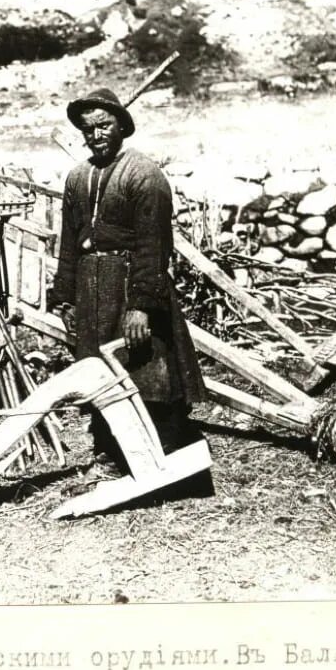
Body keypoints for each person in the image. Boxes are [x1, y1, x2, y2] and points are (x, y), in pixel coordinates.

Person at [48, 87, 207, 470]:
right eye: (88, 129)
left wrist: (141, 307)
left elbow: (154, 247)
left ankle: (166, 453)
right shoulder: (76, 178)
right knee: (98, 371)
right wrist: (65, 299)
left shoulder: (144, 175)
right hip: (91, 287)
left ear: (121, 125)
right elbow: (69, 244)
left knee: (148, 369)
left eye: (103, 125)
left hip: (130, 282)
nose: (96, 135)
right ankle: (113, 451)